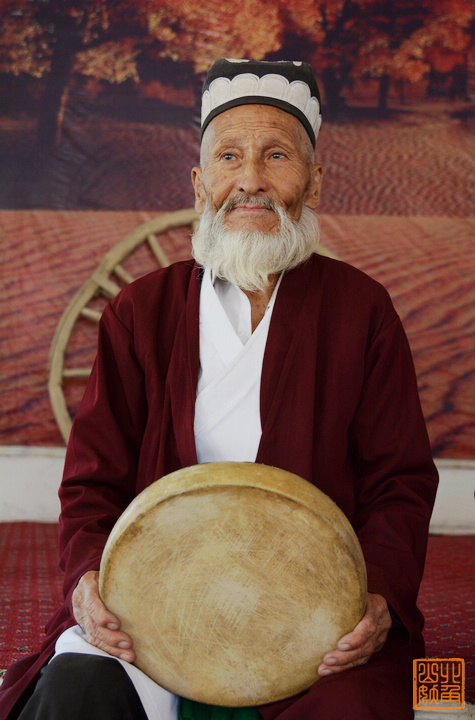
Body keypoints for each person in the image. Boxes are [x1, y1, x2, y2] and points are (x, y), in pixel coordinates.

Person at [0, 59, 438, 720]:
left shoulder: (360, 309)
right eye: (228, 157)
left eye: (277, 156)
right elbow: (92, 485)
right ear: (200, 182)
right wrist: (90, 583)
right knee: (74, 696)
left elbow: (398, 482)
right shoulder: (141, 311)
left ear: (313, 181)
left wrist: (374, 601)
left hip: (314, 621)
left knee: (363, 709)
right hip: (152, 611)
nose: (251, 181)